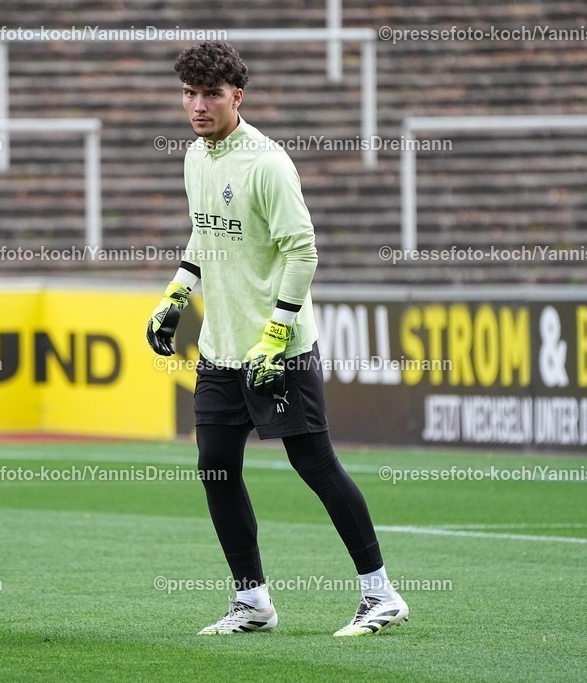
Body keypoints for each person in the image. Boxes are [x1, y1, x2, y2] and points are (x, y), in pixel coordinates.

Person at [145, 41, 409, 637]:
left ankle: (381, 593)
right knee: (215, 465)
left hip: (278, 349)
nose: (198, 105)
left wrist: (276, 330)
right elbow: (205, 236)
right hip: (220, 349)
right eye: (189, 93)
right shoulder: (194, 157)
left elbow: (302, 251)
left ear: (237, 95)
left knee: (313, 462)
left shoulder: (266, 163)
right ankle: (253, 602)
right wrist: (176, 296)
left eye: (210, 94)